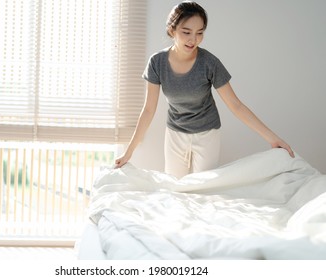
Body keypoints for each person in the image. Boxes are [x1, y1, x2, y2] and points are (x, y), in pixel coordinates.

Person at [115, 1, 294, 178]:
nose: (194, 39)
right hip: (175, 134)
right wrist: (129, 152)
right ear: (172, 30)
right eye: (186, 32)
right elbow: (148, 110)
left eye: (200, 33)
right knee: (175, 187)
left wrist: (272, 138)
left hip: (207, 133)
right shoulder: (157, 62)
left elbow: (236, 105)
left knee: (202, 188)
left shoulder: (209, 63)